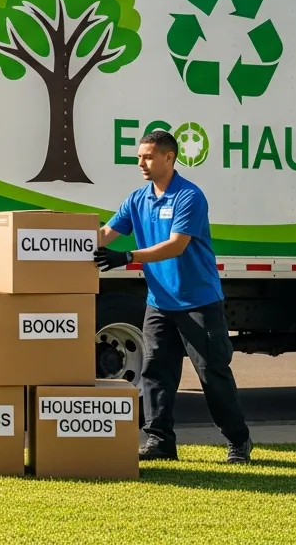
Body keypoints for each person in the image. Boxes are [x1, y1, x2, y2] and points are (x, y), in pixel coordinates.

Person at [93, 129, 252, 463]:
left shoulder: (189, 196)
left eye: (148, 156)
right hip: (159, 303)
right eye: (139, 156)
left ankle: (238, 440)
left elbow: (176, 245)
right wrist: (61, 241)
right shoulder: (137, 199)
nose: (141, 163)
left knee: (212, 373)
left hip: (199, 303)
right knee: (154, 374)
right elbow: (106, 233)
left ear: (169, 157)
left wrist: (128, 257)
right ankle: (159, 441)